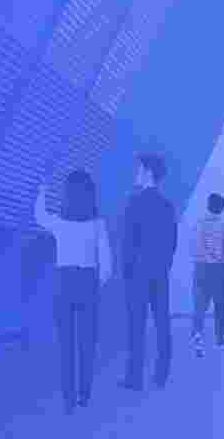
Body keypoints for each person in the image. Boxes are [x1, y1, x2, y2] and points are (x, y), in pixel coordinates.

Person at [32, 170, 113, 413]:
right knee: (87, 343)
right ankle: (84, 395)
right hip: (88, 283)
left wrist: (42, 191)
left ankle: (68, 400)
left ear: (67, 194)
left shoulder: (59, 222)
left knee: (65, 345)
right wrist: (97, 284)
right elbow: (107, 264)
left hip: (63, 283)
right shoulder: (98, 225)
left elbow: (39, 216)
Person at [122, 152, 177, 390]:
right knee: (162, 323)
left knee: (137, 326)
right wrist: (164, 266)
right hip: (160, 273)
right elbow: (172, 242)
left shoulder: (134, 203)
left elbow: (128, 243)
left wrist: (127, 271)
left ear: (147, 172)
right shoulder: (167, 206)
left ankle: (134, 378)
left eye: (138, 169)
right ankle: (161, 375)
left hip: (137, 273)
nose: (136, 173)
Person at [189, 193, 224, 357]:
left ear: (208, 205)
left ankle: (197, 336)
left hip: (201, 268)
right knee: (220, 305)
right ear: (222, 208)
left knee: (199, 305)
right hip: (219, 270)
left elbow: (193, 249)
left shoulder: (199, 224)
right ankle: (220, 338)